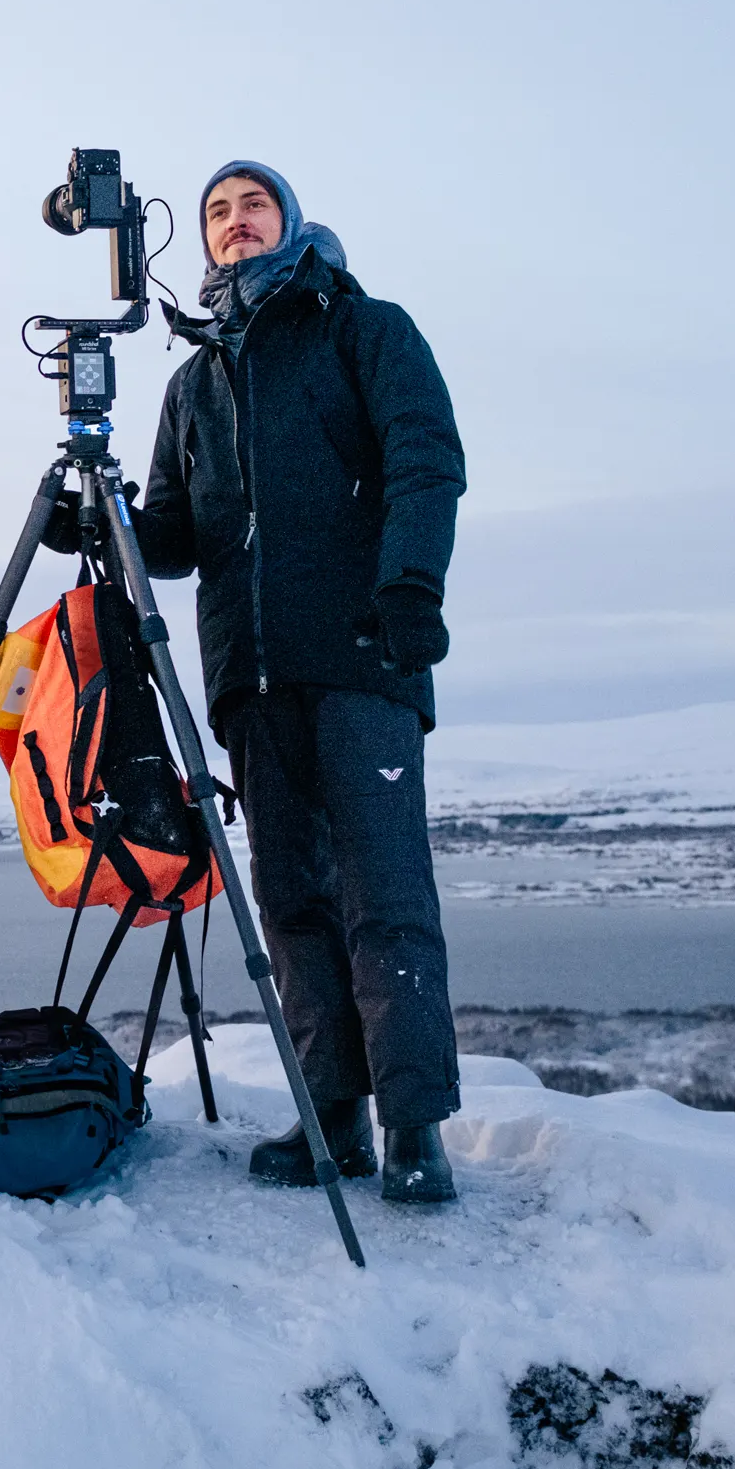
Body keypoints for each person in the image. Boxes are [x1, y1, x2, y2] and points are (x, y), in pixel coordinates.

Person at [134, 163, 468, 1203]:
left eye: (253, 207)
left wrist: (411, 583)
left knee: (385, 893)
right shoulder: (192, 382)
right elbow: (177, 535)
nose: (236, 225)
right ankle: (333, 1114)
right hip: (251, 673)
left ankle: (414, 1126)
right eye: (219, 215)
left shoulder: (363, 330)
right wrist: (102, 527)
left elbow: (426, 457)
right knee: (292, 903)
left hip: (364, 650)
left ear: (292, 222)